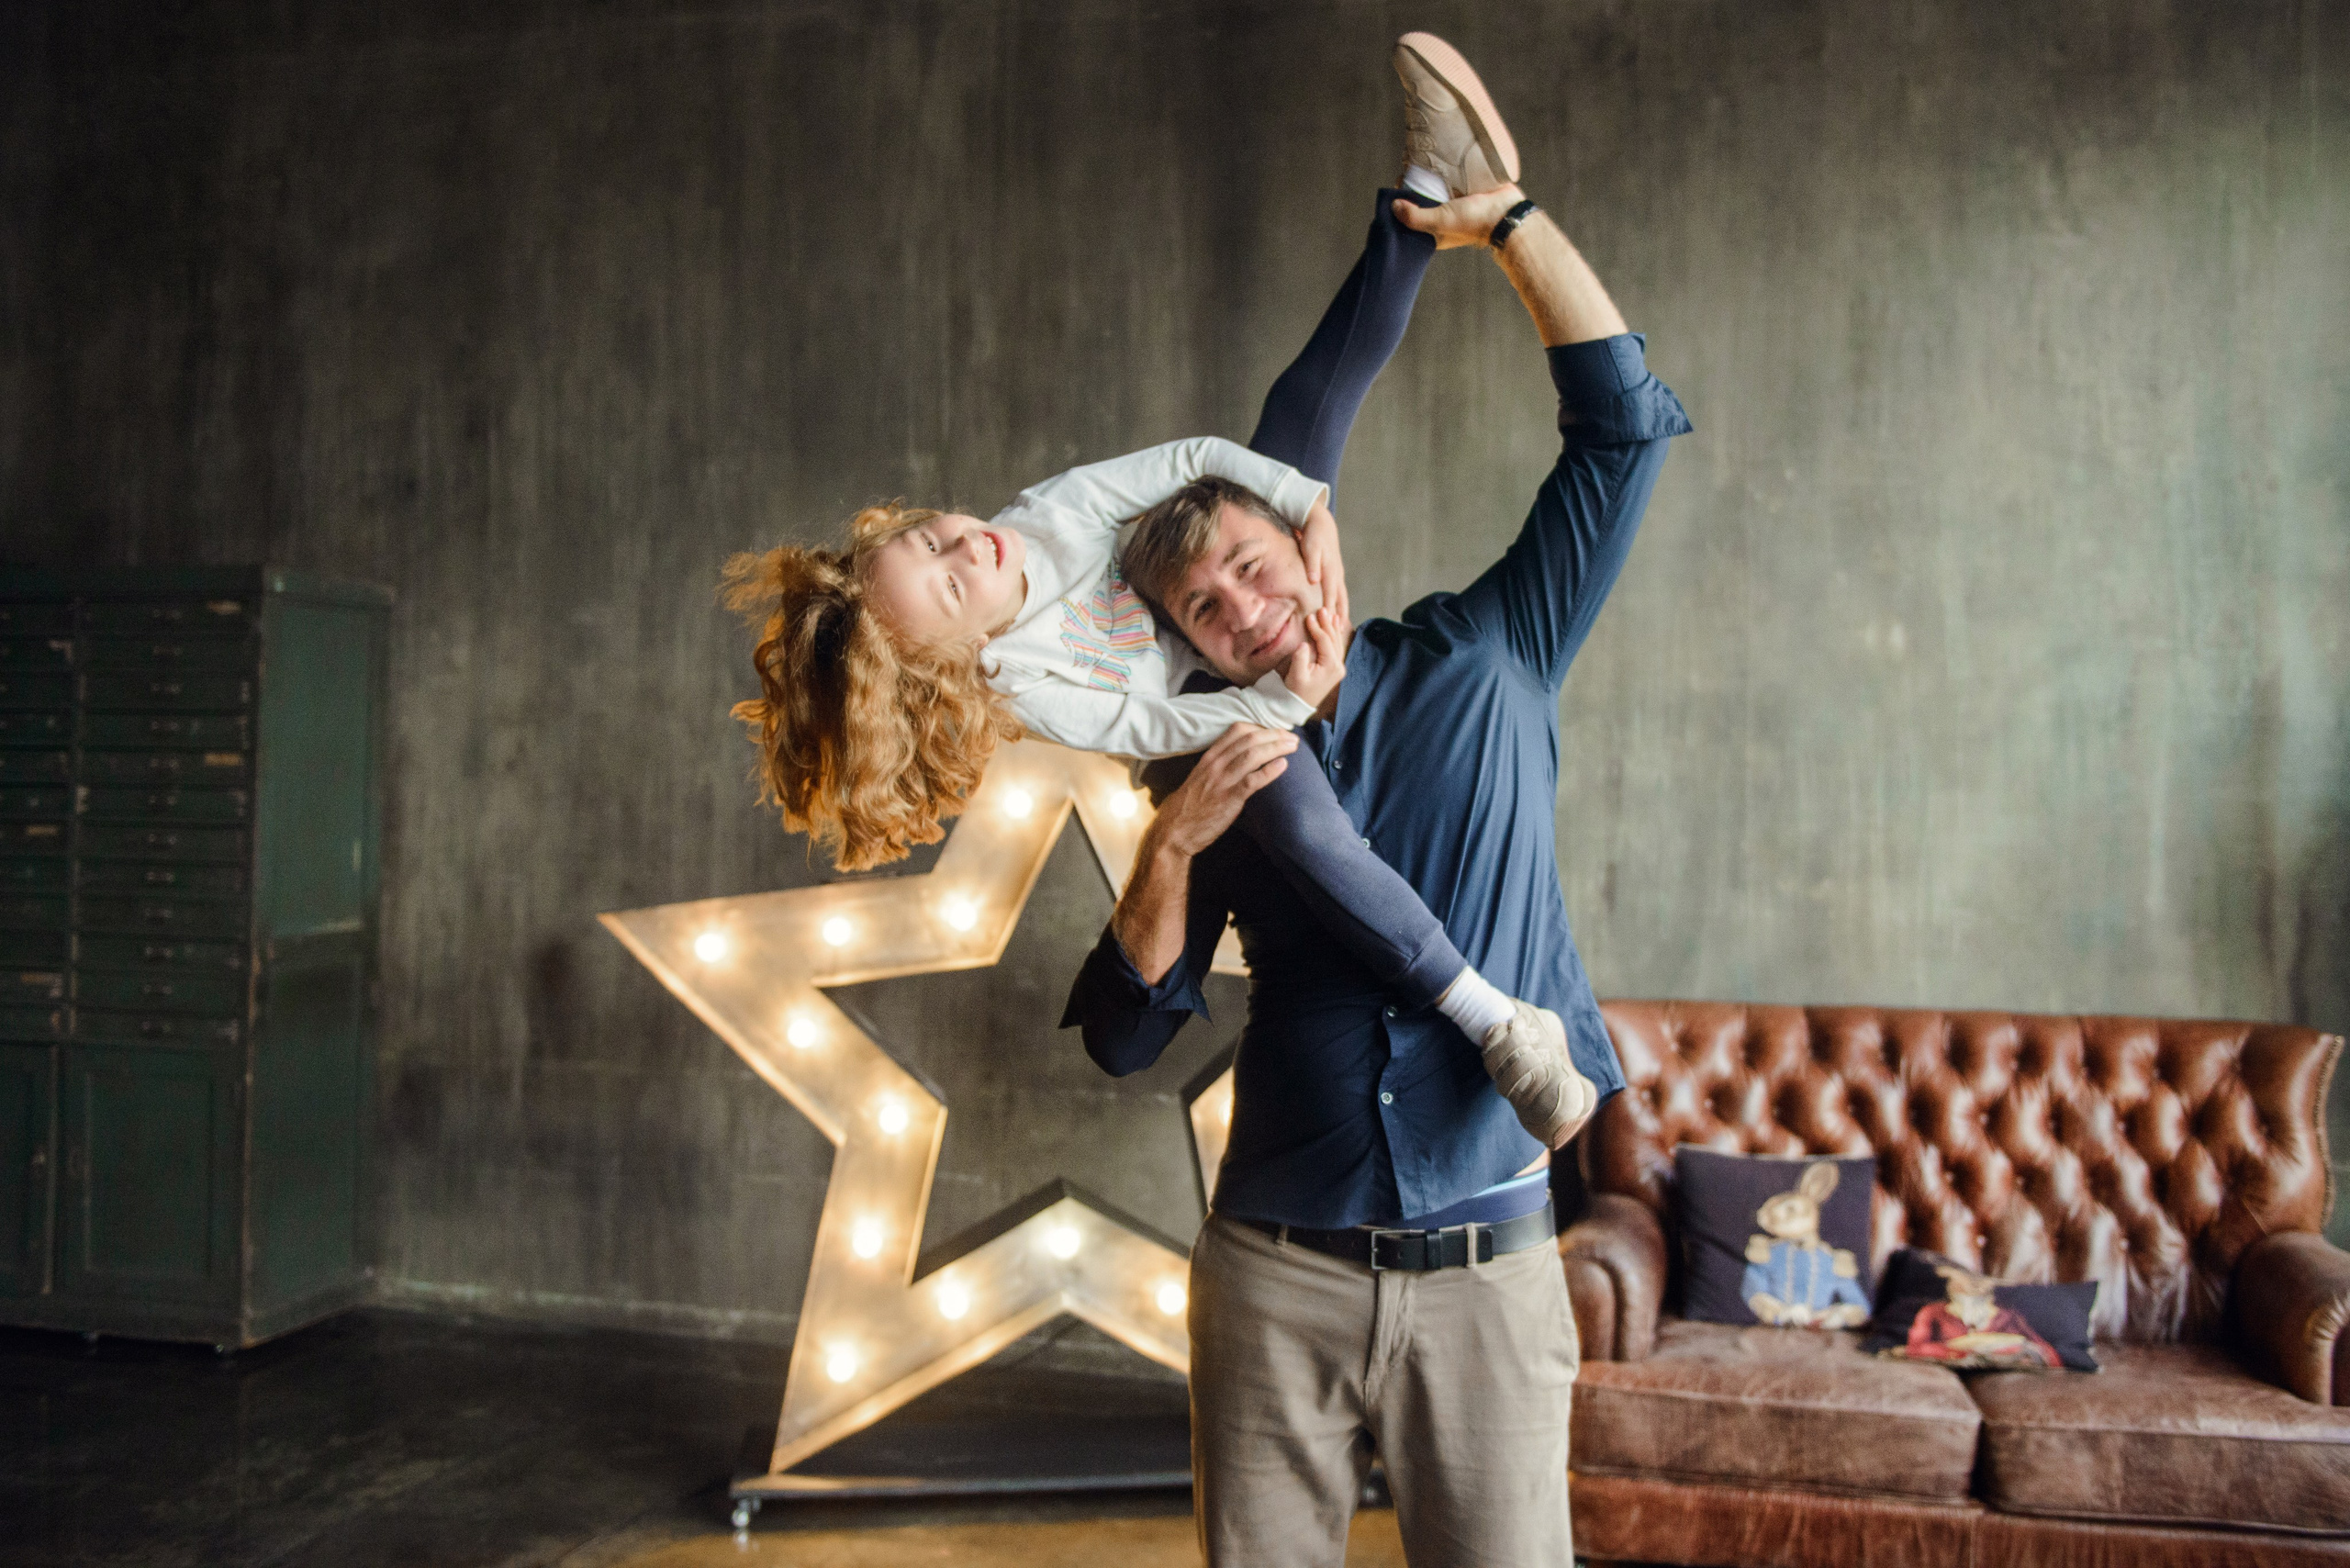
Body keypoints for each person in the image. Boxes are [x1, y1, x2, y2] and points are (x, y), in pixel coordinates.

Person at [723, 35, 1593, 1148]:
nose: (968, 546)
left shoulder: (1044, 516)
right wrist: (1280, 706)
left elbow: (1192, 461)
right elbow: (1156, 721)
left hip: (1192, 571)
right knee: (1291, 813)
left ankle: (1429, 190)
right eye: (948, 581)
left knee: (1291, 424)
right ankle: (1497, 1022)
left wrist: (1306, 507)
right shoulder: (1026, 686)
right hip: (1197, 706)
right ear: (958, 653)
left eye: (937, 533)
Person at [1060, 68, 1693, 1565]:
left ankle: (1424, 201)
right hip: (1276, 1268)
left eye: (1248, 566)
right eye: (1203, 609)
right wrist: (1168, 848)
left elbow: (1624, 430)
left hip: (1492, 1269)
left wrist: (1506, 226)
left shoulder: (1494, 652)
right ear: (1188, 646)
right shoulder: (1208, 763)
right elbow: (1125, 1040)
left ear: (1306, 540)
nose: (1241, 609)